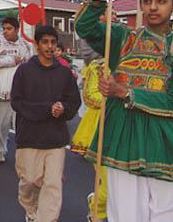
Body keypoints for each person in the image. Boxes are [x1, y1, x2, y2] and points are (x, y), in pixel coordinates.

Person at [75, 0, 173, 222]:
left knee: (168, 215)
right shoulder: (123, 38)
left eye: (161, 1)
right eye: (147, 1)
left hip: (167, 146)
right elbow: (84, 25)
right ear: (140, 4)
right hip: (122, 139)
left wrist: (126, 93)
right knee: (124, 215)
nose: (153, 7)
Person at [11, 25, 81, 222]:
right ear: (37, 45)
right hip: (29, 137)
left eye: (53, 42)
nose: (50, 47)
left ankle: (46, 218)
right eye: (45, 42)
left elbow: (74, 102)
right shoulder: (24, 71)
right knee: (30, 181)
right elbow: (16, 102)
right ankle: (31, 210)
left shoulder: (65, 74)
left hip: (56, 138)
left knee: (52, 184)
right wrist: (46, 109)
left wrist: (63, 109)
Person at [0, 17, 34, 163]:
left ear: (17, 29)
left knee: (22, 122)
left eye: (9, 28)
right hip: (1, 85)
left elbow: (31, 62)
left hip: (22, 86)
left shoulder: (26, 44)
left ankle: (23, 153)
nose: (5, 31)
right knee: (0, 123)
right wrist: (10, 61)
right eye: (4, 28)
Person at [71, 56, 108, 222]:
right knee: (108, 189)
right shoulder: (98, 65)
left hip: (135, 132)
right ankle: (96, 211)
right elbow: (90, 96)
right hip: (102, 129)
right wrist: (120, 97)